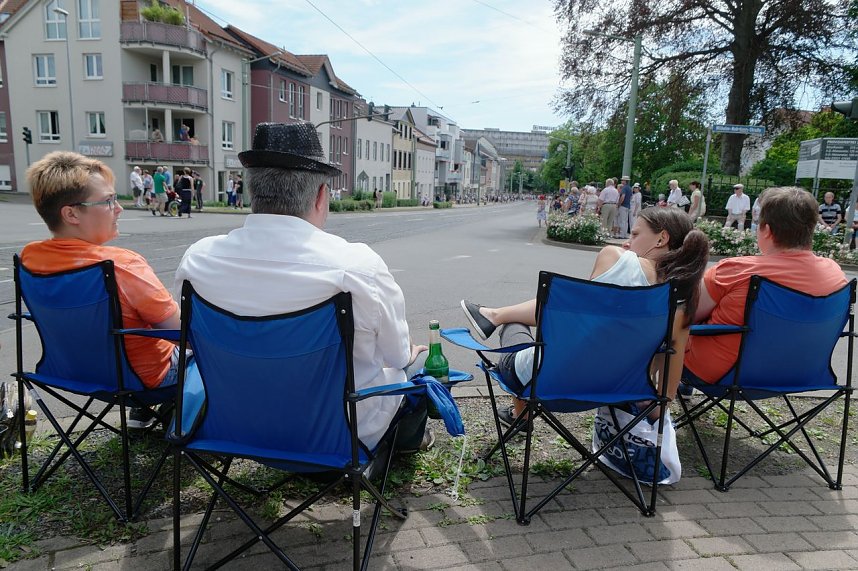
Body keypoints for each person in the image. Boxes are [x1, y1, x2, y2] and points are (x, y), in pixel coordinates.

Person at [174, 122, 434, 452]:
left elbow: (191, 341)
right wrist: (408, 353)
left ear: (252, 191)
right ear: (322, 196)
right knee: (419, 363)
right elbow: (396, 355)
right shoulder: (357, 267)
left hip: (232, 427)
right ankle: (406, 444)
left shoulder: (198, 260)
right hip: (337, 436)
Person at [461, 207, 709, 424]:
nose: (628, 240)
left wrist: (625, 257)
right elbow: (670, 374)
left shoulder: (615, 257)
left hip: (544, 384)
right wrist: (657, 411)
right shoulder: (682, 298)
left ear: (661, 238)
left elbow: (579, 320)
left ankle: (521, 417)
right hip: (614, 391)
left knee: (515, 325)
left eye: (635, 234)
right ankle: (494, 316)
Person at [21, 151, 181, 428]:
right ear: (71, 213)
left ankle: (146, 414)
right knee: (208, 347)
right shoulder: (121, 264)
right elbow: (184, 332)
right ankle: (183, 417)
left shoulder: (29, 259)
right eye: (108, 201)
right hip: (142, 380)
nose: (119, 208)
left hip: (69, 373)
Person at [685, 187, 847, 385]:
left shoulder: (736, 271)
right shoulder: (835, 273)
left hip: (727, 374)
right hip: (804, 374)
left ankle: (653, 404)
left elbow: (686, 314)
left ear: (767, 230)